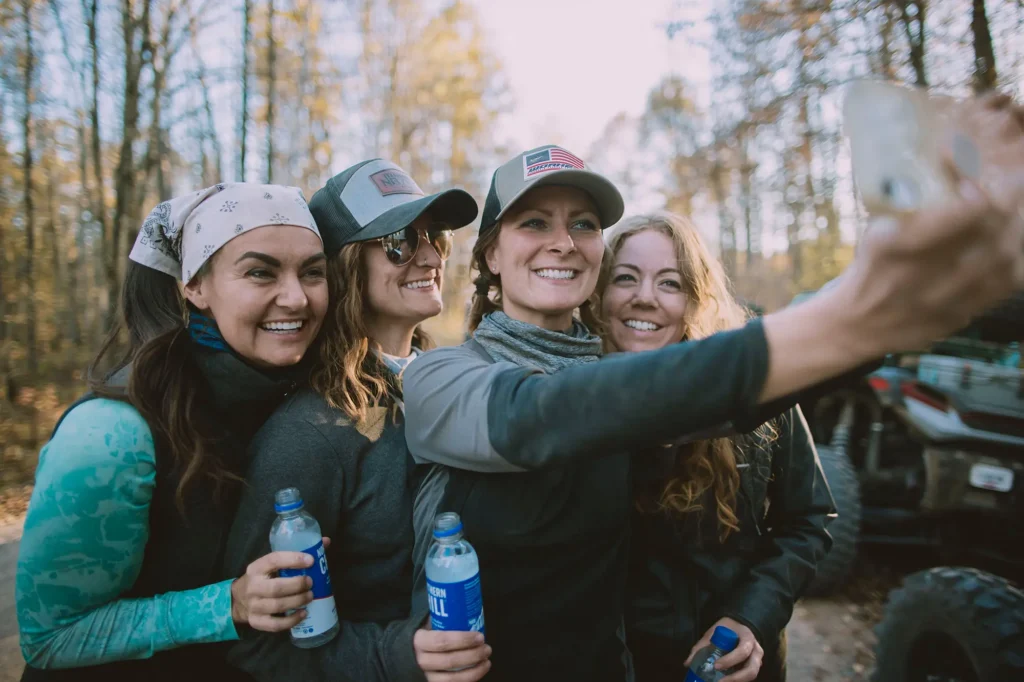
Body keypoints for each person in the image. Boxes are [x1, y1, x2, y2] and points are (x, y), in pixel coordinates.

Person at [402, 102, 1024, 682]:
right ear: (489, 255)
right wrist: (852, 316)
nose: (563, 241)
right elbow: (545, 415)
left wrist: (880, 328)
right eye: (534, 222)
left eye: (584, 224)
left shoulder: (637, 377)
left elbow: (694, 418)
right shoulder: (440, 377)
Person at [16, 184, 331, 681]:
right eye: (259, 272)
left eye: (312, 272)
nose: (296, 297)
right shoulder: (110, 434)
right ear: (195, 285)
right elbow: (49, 637)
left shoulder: (287, 399)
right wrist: (227, 605)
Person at [222, 160, 492, 682]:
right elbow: (260, 648)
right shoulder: (310, 433)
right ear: (345, 268)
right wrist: (399, 657)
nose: (431, 255)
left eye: (432, 236)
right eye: (397, 242)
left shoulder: (443, 387)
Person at [599, 212, 832, 682]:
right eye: (625, 278)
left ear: (696, 300)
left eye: (670, 283)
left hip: (735, 668)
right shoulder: (568, 406)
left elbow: (808, 521)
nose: (645, 298)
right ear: (598, 293)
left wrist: (751, 618)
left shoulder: (758, 396)